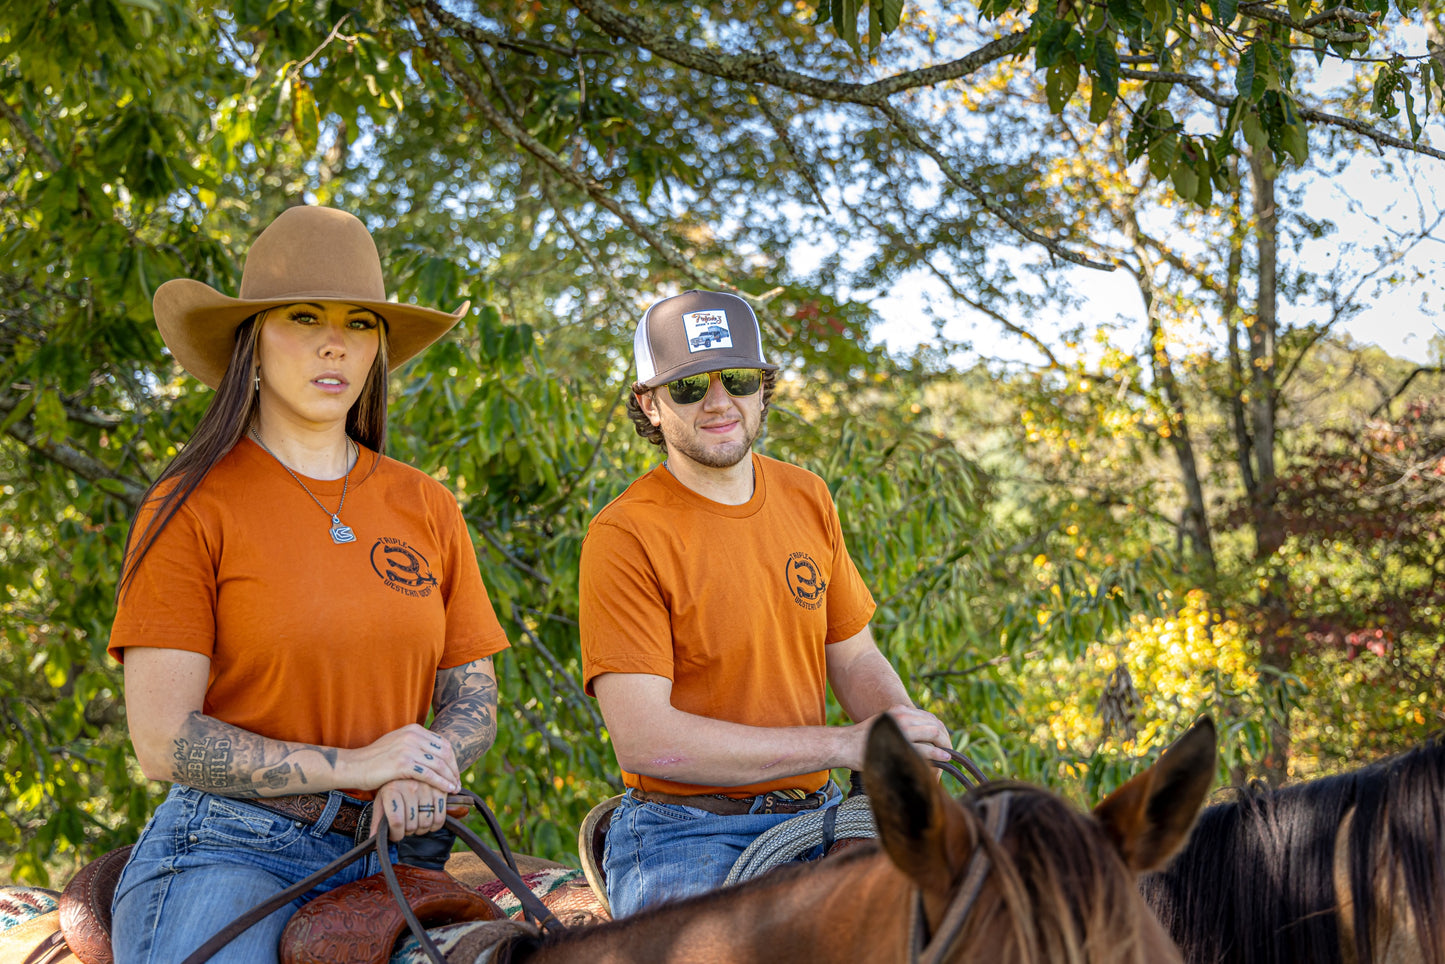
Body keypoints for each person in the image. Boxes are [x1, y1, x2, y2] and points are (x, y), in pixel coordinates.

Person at [107, 205, 510, 963]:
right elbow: (163, 740)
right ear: (250, 344)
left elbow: (474, 695)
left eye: (360, 322)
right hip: (233, 849)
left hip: (403, 844)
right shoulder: (192, 505)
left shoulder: (424, 503)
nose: (335, 342)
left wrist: (420, 768)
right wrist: (363, 767)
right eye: (302, 316)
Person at [578, 288, 953, 918]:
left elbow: (855, 657)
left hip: (822, 815)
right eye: (690, 388)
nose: (720, 402)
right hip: (690, 832)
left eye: (740, 379)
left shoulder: (807, 495)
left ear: (763, 388)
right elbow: (645, 742)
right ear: (649, 403)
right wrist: (845, 745)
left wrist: (902, 731)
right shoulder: (625, 534)